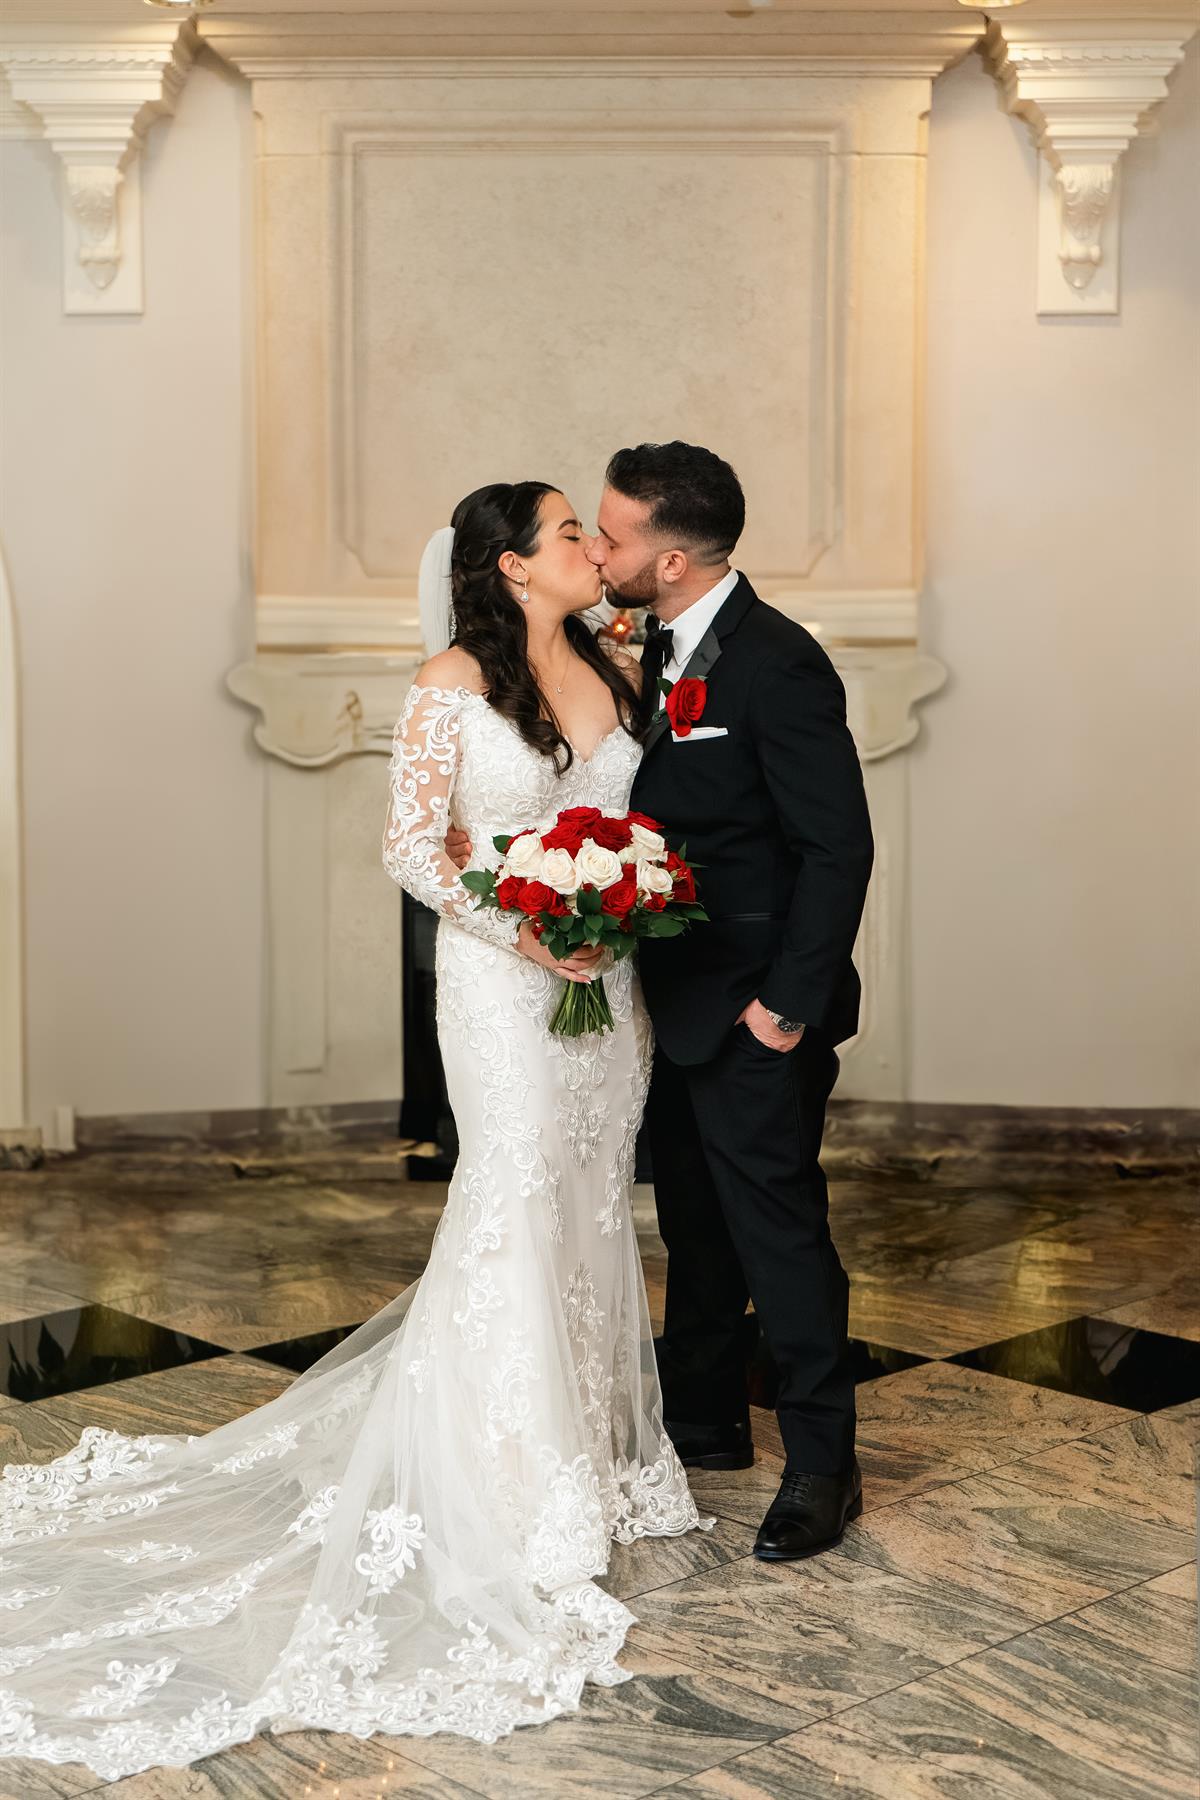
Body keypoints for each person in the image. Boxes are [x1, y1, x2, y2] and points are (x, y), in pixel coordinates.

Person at [0, 481, 709, 1785]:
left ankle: (595, 1457)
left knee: (592, 1199)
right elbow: (414, 850)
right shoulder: (449, 683)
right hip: (503, 983)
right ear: (512, 565)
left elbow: (639, 820)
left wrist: (617, 902)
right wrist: (528, 929)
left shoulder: (618, 668)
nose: (589, 547)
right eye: (567, 532)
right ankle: (514, 1481)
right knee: (515, 1194)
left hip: (609, 991)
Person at [588, 441, 874, 1561]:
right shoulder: (649, 647)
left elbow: (836, 850)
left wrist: (784, 1011)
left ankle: (823, 1464)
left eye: (612, 535)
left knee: (778, 1233)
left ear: (669, 559)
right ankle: (705, 1422)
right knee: (695, 1226)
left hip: (757, 1009)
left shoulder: (778, 662)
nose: (598, 550)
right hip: (668, 1000)